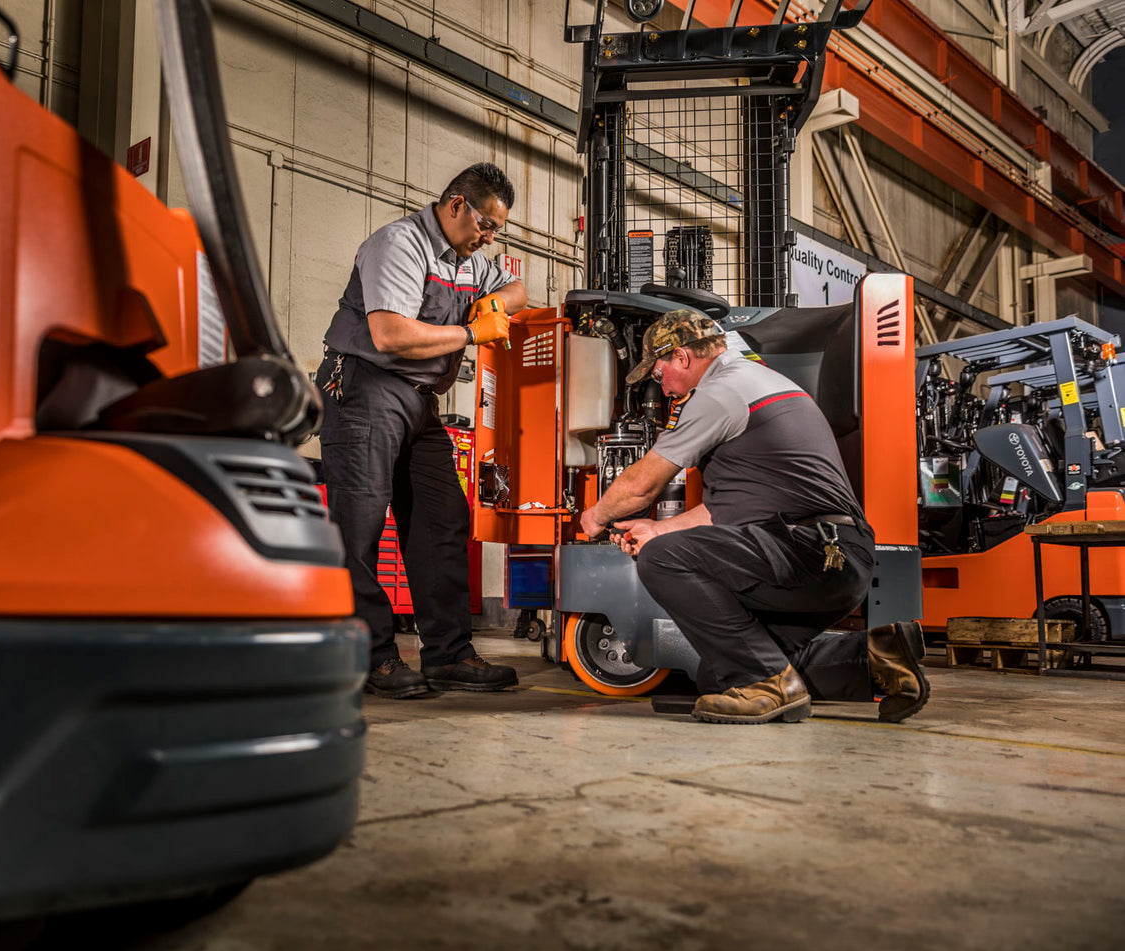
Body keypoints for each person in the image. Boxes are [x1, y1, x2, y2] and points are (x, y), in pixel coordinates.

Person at [578, 310, 930, 724]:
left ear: (681, 357)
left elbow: (643, 486)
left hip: (809, 550)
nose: (664, 386)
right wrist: (660, 527)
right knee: (720, 675)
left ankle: (771, 685)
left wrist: (596, 516)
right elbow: (733, 507)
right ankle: (878, 658)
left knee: (663, 559)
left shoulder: (720, 392)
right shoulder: (761, 383)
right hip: (836, 554)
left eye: (659, 373)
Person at [315, 164, 527, 698]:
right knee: (359, 525)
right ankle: (369, 657)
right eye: (486, 224)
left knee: (443, 517)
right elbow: (388, 334)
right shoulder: (399, 243)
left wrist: (496, 303)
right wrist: (471, 330)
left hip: (417, 400)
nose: (489, 237)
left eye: (498, 230)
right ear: (456, 204)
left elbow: (519, 289)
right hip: (365, 387)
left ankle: (449, 655)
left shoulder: (468, 262)